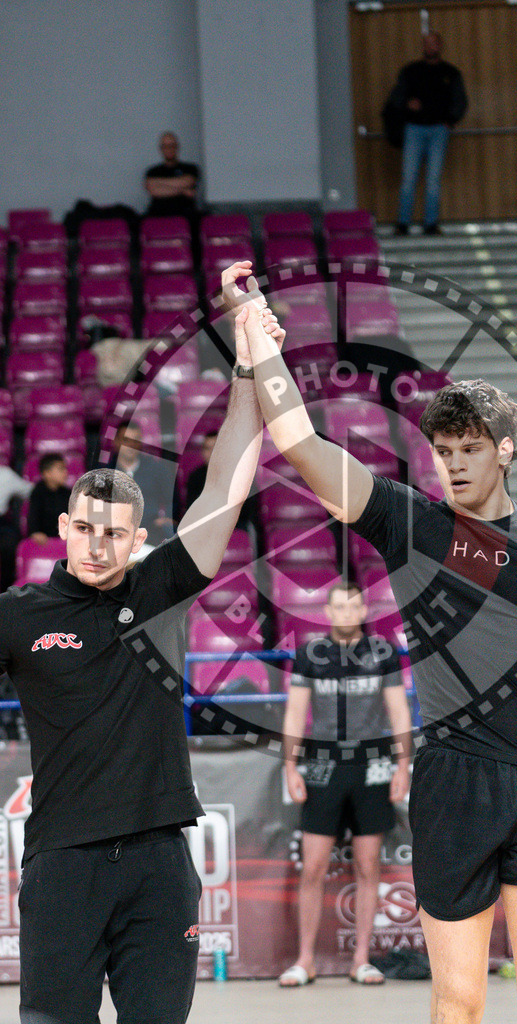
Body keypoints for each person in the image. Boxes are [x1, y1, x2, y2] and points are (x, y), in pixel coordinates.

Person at [235, 305, 517, 1024]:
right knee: (458, 1003)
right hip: (454, 783)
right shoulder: (412, 524)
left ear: (505, 450)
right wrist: (261, 350)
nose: (454, 463)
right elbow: (300, 442)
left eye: (470, 448)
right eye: (443, 450)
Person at [0, 263, 284, 1024]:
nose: (97, 545)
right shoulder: (17, 615)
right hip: (62, 864)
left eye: (114, 534)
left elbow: (225, 481)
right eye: (86, 529)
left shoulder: (162, 588)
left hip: (160, 865)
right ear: (64, 528)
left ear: (137, 538)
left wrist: (247, 361)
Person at [279, 581, 412, 987]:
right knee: (313, 867)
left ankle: (361, 960)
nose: (347, 613)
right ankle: (305, 960)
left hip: (372, 767)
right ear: (328, 612)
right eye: (339, 607)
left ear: (364, 611)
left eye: (354, 606)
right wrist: (290, 766)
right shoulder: (310, 655)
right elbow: (295, 713)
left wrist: (402, 766)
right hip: (323, 767)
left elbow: (399, 713)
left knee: (368, 867)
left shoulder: (384, 654)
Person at [389, 32, 467, 236]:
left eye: (433, 43)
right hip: (414, 128)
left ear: (440, 45)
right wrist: (407, 104)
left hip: (439, 129)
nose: (430, 47)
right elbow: (396, 97)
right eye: (427, 43)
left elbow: (460, 101)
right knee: (409, 177)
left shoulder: (450, 73)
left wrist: (450, 120)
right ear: (423, 46)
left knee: (433, 179)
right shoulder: (411, 71)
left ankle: (430, 224)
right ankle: (403, 223)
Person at [112, 420, 179, 546]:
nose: (131, 445)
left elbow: (172, 499)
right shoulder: (104, 473)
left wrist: (167, 517)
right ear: (116, 441)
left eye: (135, 441)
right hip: (115, 533)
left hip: (151, 530)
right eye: (126, 440)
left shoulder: (156, 468)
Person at [144, 131, 200, 219]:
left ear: (177, 147)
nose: (169, 149)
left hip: (185, 214)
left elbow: (188, 182)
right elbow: (154, 191)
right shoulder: (153, 171)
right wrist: (182, 191)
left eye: (172, 145)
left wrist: (158, 182)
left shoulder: (190, 168)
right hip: (158, 214)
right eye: (165, 146)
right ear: (161, 149)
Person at [0, 464, 34, 591]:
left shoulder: (5, 474)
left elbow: (31, 491)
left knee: (9, 545)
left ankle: (5, 590)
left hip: (1, 523)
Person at [27, 453, 70, 543]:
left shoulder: (68, 493)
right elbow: (34, 517)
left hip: (65, 539)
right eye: (61, 469)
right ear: (47, 473)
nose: (65, 472)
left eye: (65, 468)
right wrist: (36, 532)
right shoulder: (37, 493)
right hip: (45, 541)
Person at [185, 431, 218, 511]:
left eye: (215, 448)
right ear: (202, 452)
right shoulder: (195, 477)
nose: (211, 452)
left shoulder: (236, 475)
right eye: (207, 448)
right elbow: (192, 508)